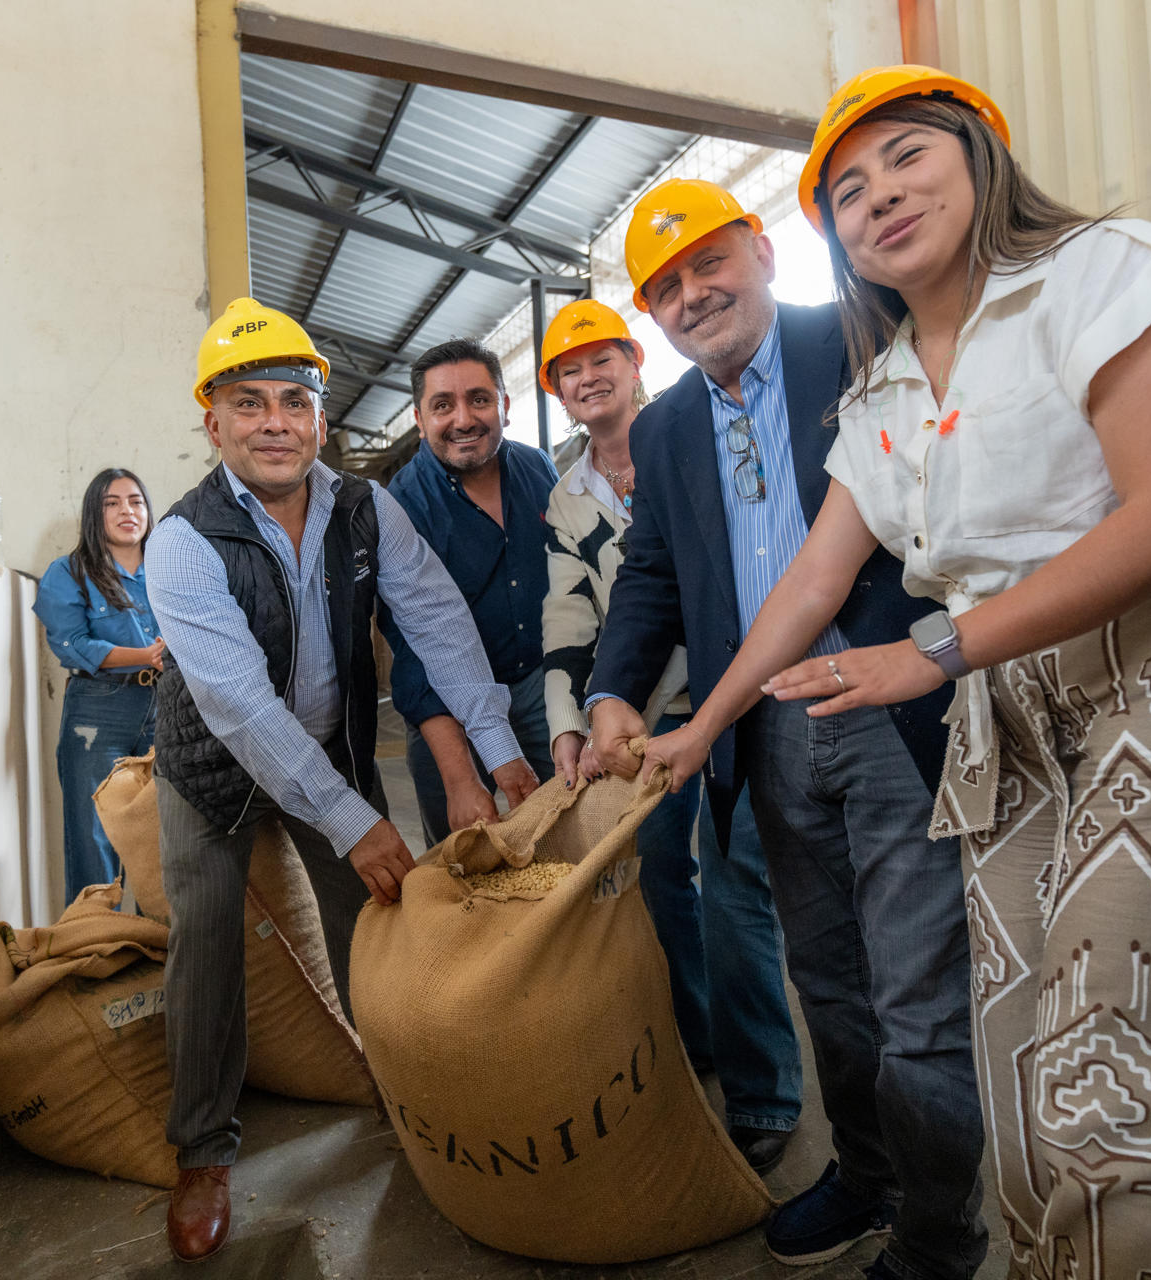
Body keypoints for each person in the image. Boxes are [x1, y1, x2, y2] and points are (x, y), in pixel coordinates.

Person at [642, 65, 1151, 1280]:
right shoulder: (885, 385)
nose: (882, 196)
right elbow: (806, 582)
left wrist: (932, 649)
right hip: (1005, 704)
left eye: (907, 156)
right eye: (848, 190)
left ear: (979, 154)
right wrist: (704, 725)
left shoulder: (1102, 270)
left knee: (1141, 1050)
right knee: (1021, 1048)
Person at [585, 176, 989, 1280]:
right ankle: (868, 1172)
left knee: (916, 996)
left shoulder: (864, 336)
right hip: (762, 733)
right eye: (665, 287)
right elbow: (655, 572)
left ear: (761, 251)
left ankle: (943, 1233)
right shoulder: (665, 426)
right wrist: (612, 688)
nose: (693, 294)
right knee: (829, 986)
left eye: (709, 262)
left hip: (894, 704)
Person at [143, 298, 538, 1263]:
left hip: (333, 750)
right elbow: (238, 707)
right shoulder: (183, 540)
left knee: (379, 926)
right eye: (248, 404)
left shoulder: (366, 506)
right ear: (214, 422)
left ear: (321, 417)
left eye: (292, 401)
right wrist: (352, 819)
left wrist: (501, 751)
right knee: (207, 940)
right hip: (216, 768)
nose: (274, 421)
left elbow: (436, 619)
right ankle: (203, 1148)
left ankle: (413, 1094)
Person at [538, 297, 803, 1171]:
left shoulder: (695, 430)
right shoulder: (567, 498)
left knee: (736, 891)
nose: (588, 376)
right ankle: (699, 1046)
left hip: (730, 694)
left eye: (602, 357)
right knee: (658, 886)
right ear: (557, 392)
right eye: (569, 370)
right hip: (636, 722)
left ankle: (763, 1091)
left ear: (635, 360)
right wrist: (571, 721)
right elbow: (569, 617)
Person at [382, 338, 558, 845]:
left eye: (479, 399)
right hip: (448, 715)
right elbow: (415, 646)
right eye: (443, 405)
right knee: (467, 864)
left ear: (504, 404)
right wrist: (460, 777)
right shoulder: (401, 508)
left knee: (563, 848)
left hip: (543, 692)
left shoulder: (537, 468)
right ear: (420, 418)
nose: (464, 418)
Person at [32, 467, 166, 905]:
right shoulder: (68, 572)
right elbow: (73, 646)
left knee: (163, 834)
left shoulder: (171, 569)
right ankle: (98, 952)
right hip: (99, 712)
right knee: (96, 836)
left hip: (169, 706)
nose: (127, 511)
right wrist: (149, 655)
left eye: (135, 501)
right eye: (112, 503)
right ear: (95, 514)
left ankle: (160, 950)